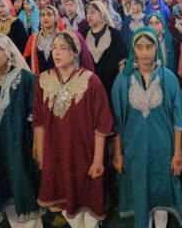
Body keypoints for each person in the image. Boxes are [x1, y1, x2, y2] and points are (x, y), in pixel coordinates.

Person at [111, 27, 182, 228]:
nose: (145, 52)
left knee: (161, 194)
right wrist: (118, 153)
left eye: (149, 46)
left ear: (157, 48)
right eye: (139, 47)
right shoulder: (123, 80)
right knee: (140, 196)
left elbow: (178, 119)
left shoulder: (168, 78)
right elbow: (117, 122)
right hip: (134, 150)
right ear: (133, 50)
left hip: (163, 148)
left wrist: (177, 154)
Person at [34, 30, 113, 228]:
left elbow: (102, 124)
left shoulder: (91, 82)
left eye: (63, 48)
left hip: (84, 153)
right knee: (65, 201)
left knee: (88, 201)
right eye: (54, 48)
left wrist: (97, 160)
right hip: (56, 152)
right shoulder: (44, 81)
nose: (56, 53)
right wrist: (41, 150)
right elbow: (39, 120)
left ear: (75, 52)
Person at [0, 33, 45, 228]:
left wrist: (37, 145)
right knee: (0, 180)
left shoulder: (27, 79)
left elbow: (37, 117)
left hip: (19, 143)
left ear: (8, 52)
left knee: (22, 181)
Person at [84, 0, 128, 95]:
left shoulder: (114, 34)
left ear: (102, 14)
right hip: (91, 85)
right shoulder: (84, 35)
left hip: (111, 84)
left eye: (93, 12)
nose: (89, 15)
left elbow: (121, 62)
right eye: (87, 13)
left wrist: (120, 83)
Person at [24, 6, 65, 76]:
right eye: (42, 15)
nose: (45, 17)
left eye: (49, 14)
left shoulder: (64, 37)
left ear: (56, 18)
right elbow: (27, 61)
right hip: (39, 80)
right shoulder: (33, 38)